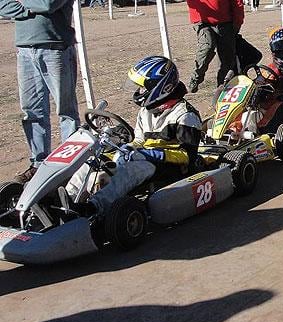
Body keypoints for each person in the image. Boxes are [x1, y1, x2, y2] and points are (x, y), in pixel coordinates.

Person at [66, 56, 202, 215]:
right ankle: (68, 199)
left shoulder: (185, 115)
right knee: (95, 161)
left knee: (131, 170)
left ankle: (94, 207)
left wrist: (151, 154)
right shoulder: (146, 111)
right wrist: (128, 147)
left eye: (142, 88)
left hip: (170, 167)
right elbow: (139, 140)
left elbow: (187, 156)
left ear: (161, 87)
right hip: (144, 157)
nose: (139, 92)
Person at [0, 0, 81, 184]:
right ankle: (38, 163)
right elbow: (3, 6)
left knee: (66, 111)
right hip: (25, 49)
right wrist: (31, 5)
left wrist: (21, 4)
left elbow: (48, 4)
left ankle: (71, 167)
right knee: (32, 111)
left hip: (56, 48)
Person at [186, 0, 244, 93]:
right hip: (202, 22)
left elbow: (237, 2)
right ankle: (195, 78)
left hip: (226, 23)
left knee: (227, 59)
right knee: (207, 46)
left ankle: (222, 89)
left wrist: (238, 21)